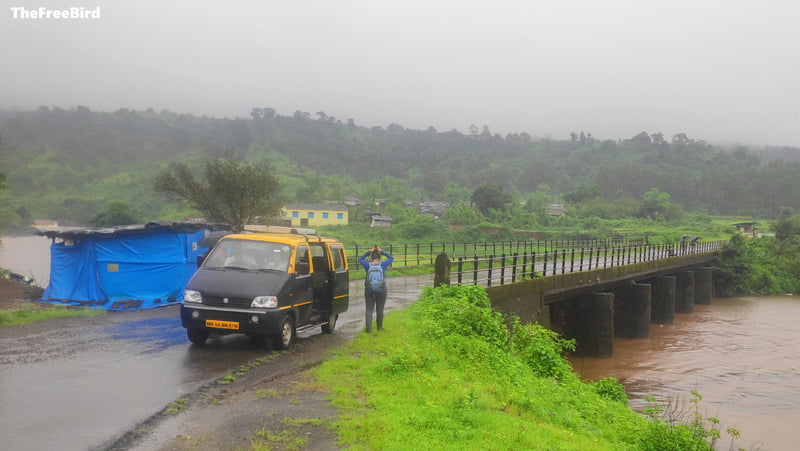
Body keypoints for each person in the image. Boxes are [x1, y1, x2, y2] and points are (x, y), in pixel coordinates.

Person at [359, 246, 393, 333]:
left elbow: (360, 259)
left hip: (369, 290)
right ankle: (379, 327)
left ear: (371, 258)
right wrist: (382, 251)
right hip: (382, 290)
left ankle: (368, 329)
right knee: (380, 309)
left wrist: (368, 252)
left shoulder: (367, 265)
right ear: (380, 258)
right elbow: (391, 258)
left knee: (369, 309)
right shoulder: (383, 265)